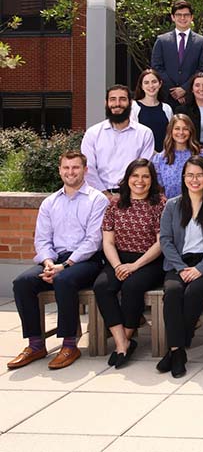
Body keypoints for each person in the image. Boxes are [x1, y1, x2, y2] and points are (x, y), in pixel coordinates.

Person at [8, 151, 108, 371]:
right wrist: (47, 263)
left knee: (64, 280)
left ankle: (69, 344)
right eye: (66, 168)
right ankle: (35, 344)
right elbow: (42, 239)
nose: (70, 172)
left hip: (87, 261)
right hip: (54, 261)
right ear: (60, 170)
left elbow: (93, 240)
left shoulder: (97, 199)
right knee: (22, 282)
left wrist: (65, 265)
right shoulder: (50, 202)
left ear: (85, 170)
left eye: (75, 167)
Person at [157, 155, 203, 378]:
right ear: (184, 177)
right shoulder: (172, 205)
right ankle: (178, 352)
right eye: (190, 175)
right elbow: (166, 240)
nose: (194, 180)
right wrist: (180, 268)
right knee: (173, 291)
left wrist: (200, 269)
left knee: (194, 291)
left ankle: (175, 349)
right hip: (179, 263)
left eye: (199, 175)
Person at [93, 158, 166, 369]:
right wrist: (117, 266)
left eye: (145, 176)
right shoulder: (115, 203)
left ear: (152, 180)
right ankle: (122, 342)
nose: (140, 181)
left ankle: (124, 341)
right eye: (135, 176)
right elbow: (108, 241)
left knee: (132, 286)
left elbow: (161, 242)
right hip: (119, 258)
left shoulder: (159, 203)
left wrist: (135, 266)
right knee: (102, 286)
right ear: (127, 179)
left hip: (149, 260)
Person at [81, 85, 155, 197]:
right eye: (112, 99)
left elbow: (144, 170)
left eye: (122, 99)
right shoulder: (93, 133)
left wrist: (128, 195)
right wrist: (104, 194)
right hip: (98, 197)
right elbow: (88, 169)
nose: (117, 104)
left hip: (134, 197)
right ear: (106, 103)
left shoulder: (144, 133)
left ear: (130, 103)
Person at [151, 0, 203, 108]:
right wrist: (174, 91)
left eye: (186, 15)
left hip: (191, 97)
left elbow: (202, 68)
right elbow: (156, 67)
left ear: (192, 17)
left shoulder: (202, 42)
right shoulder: (162, 41)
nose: (182, 18)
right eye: (179, 15)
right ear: (172, 17)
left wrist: (185, 88)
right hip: (167, 97)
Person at [151, 114, 203, 198]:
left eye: (185, 129)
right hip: (171, 207)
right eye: (177, 129)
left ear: (190, 131)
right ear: (170, 131)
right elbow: (158, 190)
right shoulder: (160, 159)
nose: (181, 132)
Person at [131, 68, 174, 152]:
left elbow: (171, 135)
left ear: (160, 84)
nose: (151, 86)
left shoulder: (167, 108)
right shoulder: (134, 107)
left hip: (163, 158)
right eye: (146, 83)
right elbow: (132, 136)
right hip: (141, 157)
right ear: (141, 86)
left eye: (154, 82)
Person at [176, 71, 203, 152]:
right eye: (197, 85)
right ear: (192, 89)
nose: (201, 89)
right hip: (195, 150)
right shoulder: (184, 110)